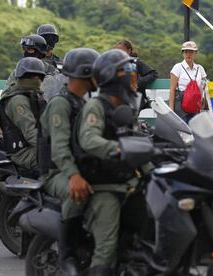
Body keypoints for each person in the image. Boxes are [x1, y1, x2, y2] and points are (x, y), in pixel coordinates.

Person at [72, 49, 140, 275]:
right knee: (106, 248)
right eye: (127, 71)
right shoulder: (97, 106)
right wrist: (117, 149)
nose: (132, 76)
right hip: (104, 185)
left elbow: (136, 139)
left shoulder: (125, 105)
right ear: (112, 76)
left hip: (126, 179)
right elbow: (89, 140)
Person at [39, 48, 100, 276]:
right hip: (56, 173)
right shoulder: (61, 104)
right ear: (85, 74)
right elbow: (59, 147)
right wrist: (73, 176)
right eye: (95, 73)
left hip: (78, 167)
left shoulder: (83, 103)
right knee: (77, 194)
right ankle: (67, 256)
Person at [0, 57, 46, 175]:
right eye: (34, 76)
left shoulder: (33, 95)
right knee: (59, 162)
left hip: (34, 146)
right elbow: (31, 133)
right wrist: (55, 149)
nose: (38, 80)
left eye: (39, 77)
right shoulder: (18, 101)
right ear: (25, 77)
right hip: (23, 152)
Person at [169, 41, 207, 123]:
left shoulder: (200, 68)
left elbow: (204, 87)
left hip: (195, 103)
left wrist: (202, 103)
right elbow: (172, 89)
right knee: (182, 128)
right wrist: (171, 110)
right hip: (181, 102)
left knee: (194, 128)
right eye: (186, 52)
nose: (188, 54)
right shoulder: (177, 67)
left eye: (191, 52)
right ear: (183, 53)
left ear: (195, 53)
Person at [115, 39, 158, 109]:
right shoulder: (116, 64)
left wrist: (137, 83)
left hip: (134, 97)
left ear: (129, 51)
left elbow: (153, 73)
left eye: (122, 51)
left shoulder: (136, 62)